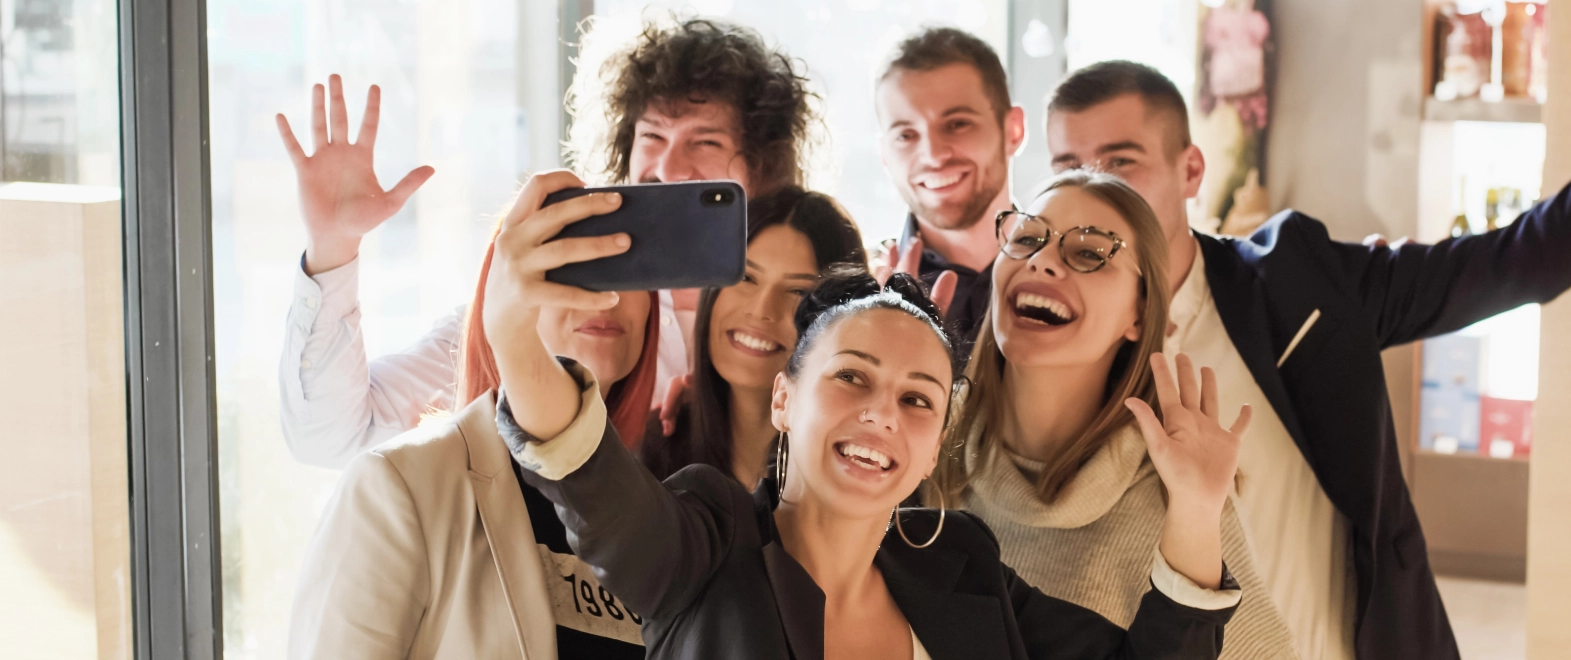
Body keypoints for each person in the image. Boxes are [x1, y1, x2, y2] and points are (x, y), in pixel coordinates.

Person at [1041, 0, 1571, 659]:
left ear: (1190, 169)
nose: (1096, 195)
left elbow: (1519, 261)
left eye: (1121, 164)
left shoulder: (1295, 280)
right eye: (1069, 171)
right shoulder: (1044, 343)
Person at [488, 171, 1250, 658]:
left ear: (935, 441)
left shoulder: (966, 569)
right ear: (785, 397)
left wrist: (1194, 508)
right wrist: (513, 335)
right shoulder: (709, 545)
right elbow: (593, 482)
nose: (883, 413)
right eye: (852, 377)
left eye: (918, 397)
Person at [276, 15, 817, 467]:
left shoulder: (791, 317)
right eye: (651, 136)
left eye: (705, 141)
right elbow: (330, 434)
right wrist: (333, 249)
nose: (666, 166)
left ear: (760, 168)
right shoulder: (543, 289)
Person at [287, 181, 663, 659]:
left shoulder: (654, 509)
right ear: (504, 289)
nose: (606, 292)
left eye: (627, 268)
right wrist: (331, 250)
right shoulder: (398, 487)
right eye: (570, 265)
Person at [930, 170, 1296, 658]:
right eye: (1026, 238)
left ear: (1141, 317)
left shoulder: (1178, 499)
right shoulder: (924, 440)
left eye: (1089, 253)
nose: (1042, 262)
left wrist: (1197, 513)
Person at [640, 186, 866, 488]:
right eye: (745, 277)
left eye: (798, 291)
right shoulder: (657, 449)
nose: (761, 311)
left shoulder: (863, 462)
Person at [870, 26, 1024, 346]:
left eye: (957, 124)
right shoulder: (855, 294)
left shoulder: (1069, 282)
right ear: (884, 153)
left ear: (1013, 130)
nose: (934, 156)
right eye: (906, 135)